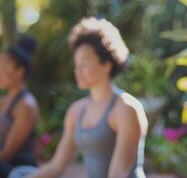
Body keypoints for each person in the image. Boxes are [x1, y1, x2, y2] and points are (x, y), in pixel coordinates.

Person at [27, 17, 148, 178]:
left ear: (106, 64)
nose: (78, 71)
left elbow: (119, 173)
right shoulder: (77, 111)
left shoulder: (126, 109)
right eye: (76, 66)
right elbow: (56, 166)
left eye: (84, 64)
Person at [0, 36, 39, 177]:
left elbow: (7, 154)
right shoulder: (4, 101)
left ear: (20, 71)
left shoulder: (26, 105)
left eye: (3, 68)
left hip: (17, 170)